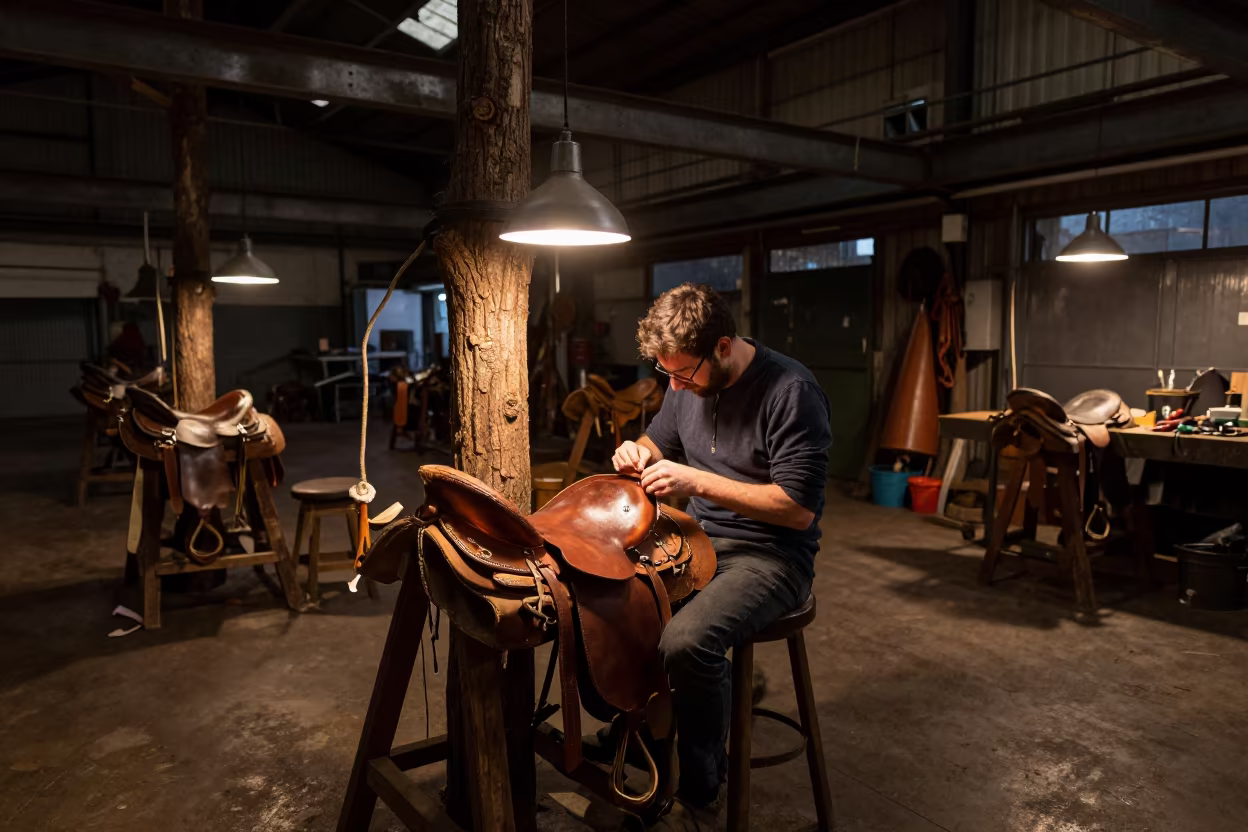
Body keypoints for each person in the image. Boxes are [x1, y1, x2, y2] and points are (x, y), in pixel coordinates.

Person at [613, 282, 831, 828]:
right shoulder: (685, 382)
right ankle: (635, 727)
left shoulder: (791, 391)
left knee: (688, 641)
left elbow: (797, 510)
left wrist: (698, 481)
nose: (677, 385)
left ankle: (701, 777)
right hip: (701, 538)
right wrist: (635, 451)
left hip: (771, 554)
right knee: (610, 594)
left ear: (724, 347)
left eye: (684, 373)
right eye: (668, 375)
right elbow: (659, 440)